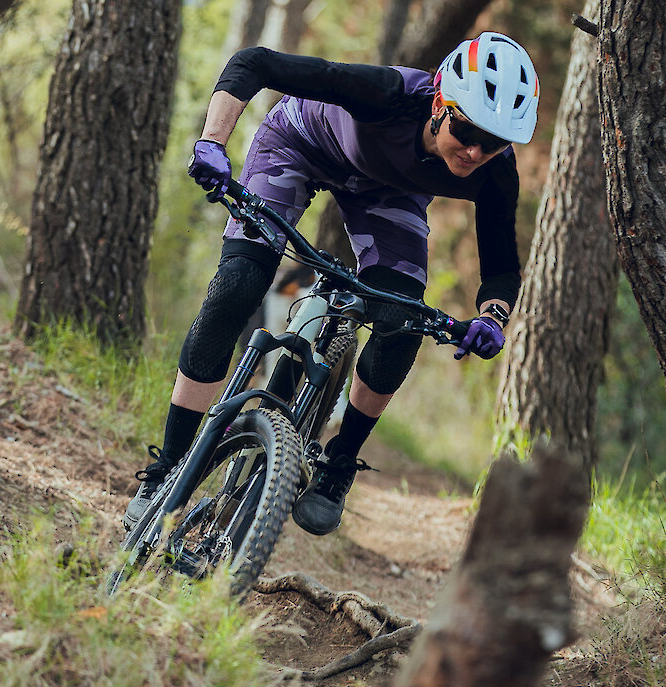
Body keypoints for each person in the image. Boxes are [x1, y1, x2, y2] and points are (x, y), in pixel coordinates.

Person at [123, 32, 540, 536]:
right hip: (298, 145)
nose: (476, 151)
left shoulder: (496, 173)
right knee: (238, 284)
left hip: (388, 193)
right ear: (439, 103)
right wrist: (212, 142)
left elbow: (500, 265)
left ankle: (338, 464)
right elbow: (253, 63)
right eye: (467, 131)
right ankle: (166, 471)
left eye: (494, 142)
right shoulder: (386, 94)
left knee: (401, 322)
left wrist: (494, 319)